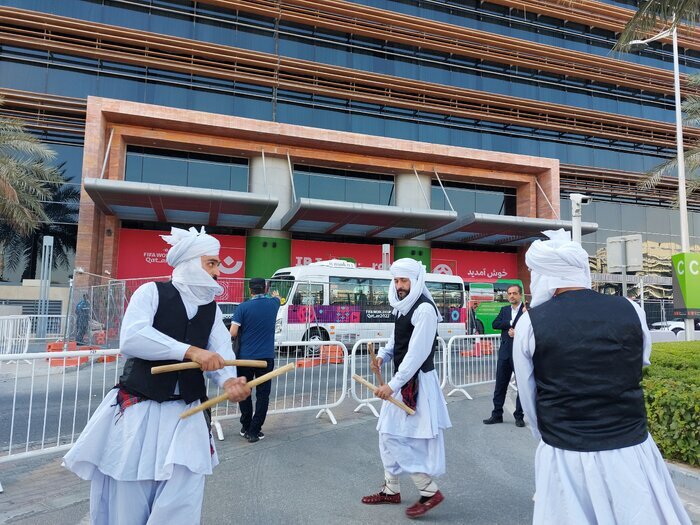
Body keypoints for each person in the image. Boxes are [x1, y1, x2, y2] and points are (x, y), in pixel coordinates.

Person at [63, 226, 251, 525]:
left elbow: (220, 349)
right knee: (130, 495)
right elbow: (133, 338)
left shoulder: (212, 310)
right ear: (190, 262)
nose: (218, 272)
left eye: (217, 264)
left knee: (182, 498)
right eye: (211, 263)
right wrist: (191, 351)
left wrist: (229, 381)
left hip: (187, 412)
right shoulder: (151, 292)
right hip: (141, 409)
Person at [512, 229, 691, 525]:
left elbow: (529, 400)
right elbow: (639, 364)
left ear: (544, 275)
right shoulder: (631, 309)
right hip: (631, 450)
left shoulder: (530, 324)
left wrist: (548, 438)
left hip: (565, 453)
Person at [361, 258, 452, 519]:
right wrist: (382, 356)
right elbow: (397, 339)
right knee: (386, 433)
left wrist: (391, 385)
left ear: (415, 281)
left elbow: (416, 353)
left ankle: (428, 490)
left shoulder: (424, 310)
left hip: (417, 383)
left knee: (395, 436)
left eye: (404, 281)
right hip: (403, 380)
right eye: (396, 280)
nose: (399, 286)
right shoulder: (402, 306)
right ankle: (391, 489)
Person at [229, 277, 280, 443]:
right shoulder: (273, 304)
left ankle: (246, 426)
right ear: (264, 288)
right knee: (263, 395)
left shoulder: (242, 308)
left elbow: (233, 332)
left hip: (245, 358)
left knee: (244, 393)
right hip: (266, 357)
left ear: (250, 290)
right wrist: (275, 295)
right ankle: (255, 430)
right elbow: (277, 298)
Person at [483, 284, 525, 427]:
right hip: (505, 354)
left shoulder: (528, 310)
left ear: (520, 295)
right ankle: (497, 415)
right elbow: (495, 324)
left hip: (521, 355)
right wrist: (510, 323)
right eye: (509, 293)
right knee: (500, 385)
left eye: (514, 293)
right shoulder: (504, 310)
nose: (511, 296)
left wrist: (518, 332)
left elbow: (534, 329)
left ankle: (519, 416)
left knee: (522, 387)